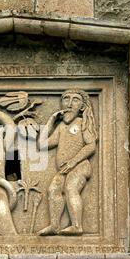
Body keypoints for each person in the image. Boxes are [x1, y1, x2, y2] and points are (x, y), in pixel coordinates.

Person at [38, 90, 98, 236]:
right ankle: (55, 225)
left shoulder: (83, 123)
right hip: (64, 169)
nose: (69, 104)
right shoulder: (61, 127)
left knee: (71, 188)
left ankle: (77, 226)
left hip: (79, 166)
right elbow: (42, 145)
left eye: (75, 100)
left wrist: (73, 162)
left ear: (82, 107)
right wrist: (51, 121)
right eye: (66, 99)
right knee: (53, 190)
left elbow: (91, 145)